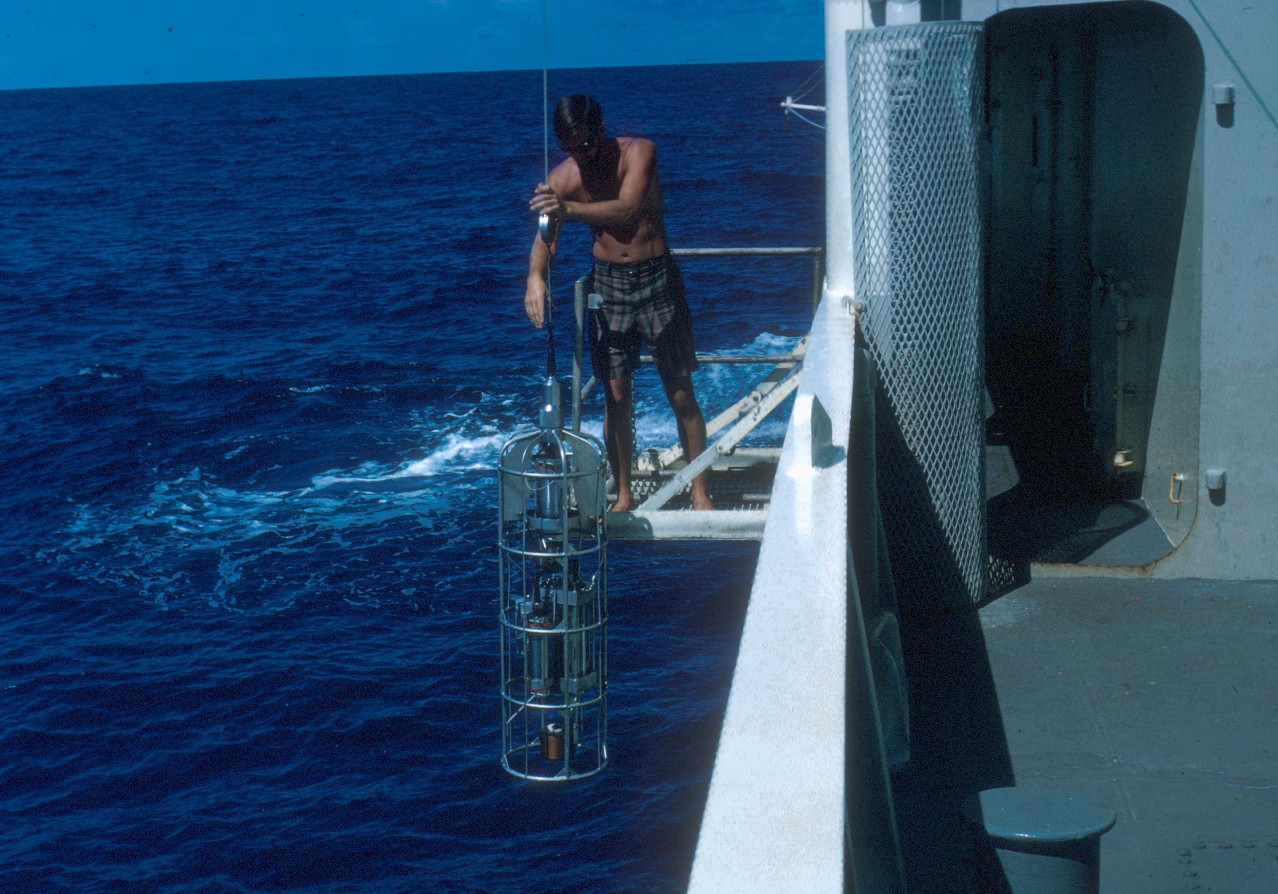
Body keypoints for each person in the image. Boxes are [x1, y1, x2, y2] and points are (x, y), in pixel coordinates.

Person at [525, 94, 712, 512]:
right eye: (570, 147)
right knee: (616, 395)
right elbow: (546, 238)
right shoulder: (563, 179)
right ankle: (624, 493)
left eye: (586, 144)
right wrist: (536, 277)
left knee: (681, 392)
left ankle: (700, 490)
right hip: (608, 286)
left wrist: (568, 208)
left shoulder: (639, 152)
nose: (581, 154)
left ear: (602, 131)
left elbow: (628, 209)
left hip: (657, 280)